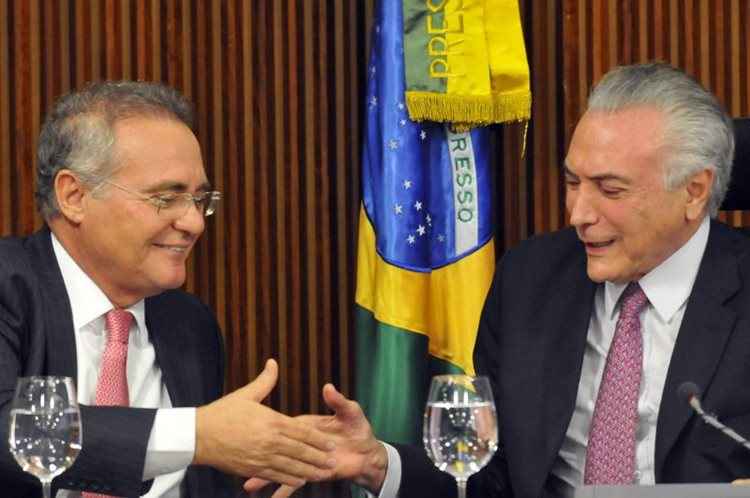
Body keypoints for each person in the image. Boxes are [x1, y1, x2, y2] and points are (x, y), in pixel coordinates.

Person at [247, 62, 750, 498]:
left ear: (694, 192)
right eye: (573, 182)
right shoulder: (531, 280)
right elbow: (490, 475)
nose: (578, 213)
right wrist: (379, 462)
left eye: (609, 190)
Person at [0, 81, 337, 497]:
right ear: (74, 196)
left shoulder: (188, 324)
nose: (195, 223)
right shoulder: (8, 286)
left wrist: (295, 452)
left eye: (200, 199)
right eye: (166, 198)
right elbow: (8, 430)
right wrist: (195, 436)